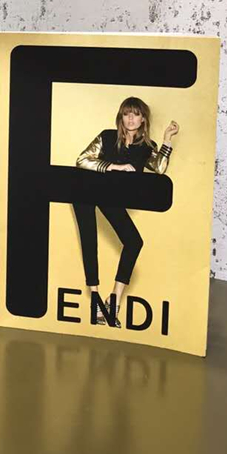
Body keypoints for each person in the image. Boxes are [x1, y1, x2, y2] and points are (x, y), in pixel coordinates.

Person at [73, 97, 179, 325]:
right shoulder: (107, 137)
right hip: (87, 191)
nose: (131, 118)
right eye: (126, 113)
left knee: (134, 242)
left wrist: (167, 139)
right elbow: (82, 160)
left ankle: (114, 300)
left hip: (111, 198)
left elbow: (159, 168)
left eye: (136, 114)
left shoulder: (146, 147)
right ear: (121, 117)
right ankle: (95, 301)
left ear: (143, 119)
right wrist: (115, 167)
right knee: (89, 239)